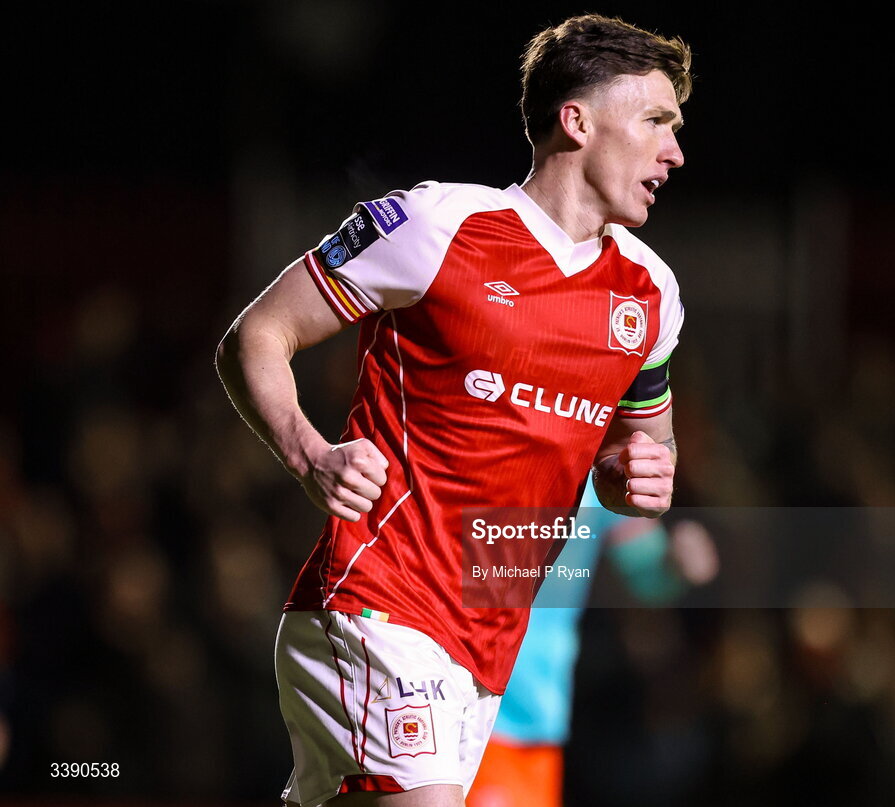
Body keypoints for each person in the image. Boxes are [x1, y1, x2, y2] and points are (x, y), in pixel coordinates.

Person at [215, 13, 692, 807]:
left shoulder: (651, 292)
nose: (674, 152)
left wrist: (638, 472)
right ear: (576, 119)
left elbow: (641, 453)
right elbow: (256, 334)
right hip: (379, 606)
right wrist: (308, 453)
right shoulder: (438, 226)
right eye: (656, 123)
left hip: (485, 659)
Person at [466, 479, 719, 807]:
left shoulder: (602, 463)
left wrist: (677, 564)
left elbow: (648, 574)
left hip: (532, 707)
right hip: (450, 683)